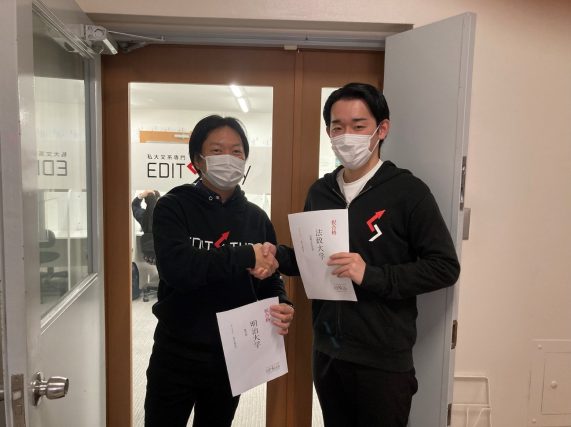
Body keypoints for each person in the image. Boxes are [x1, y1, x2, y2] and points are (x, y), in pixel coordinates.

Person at [256, 82, 460, 427]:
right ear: (328, 132)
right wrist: (280, 257)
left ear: (382, 129)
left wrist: (372, 275)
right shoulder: (320, 192)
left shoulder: (408, 192)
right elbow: (314, 261)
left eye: (358, 125)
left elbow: (444, 267)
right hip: (328, 351)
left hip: (383, 359)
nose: (346, 136)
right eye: (337, 127)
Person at [144, 115, 294, 427]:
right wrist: (244, 254)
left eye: (236, 151)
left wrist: (280, 302)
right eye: (216, 150)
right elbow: (177, 269)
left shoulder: (256, 218)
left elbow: (269, 276)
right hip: (177, 351)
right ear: (198, 160)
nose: (228, 158)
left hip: (232, 354)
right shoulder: (173, 206)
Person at [132, 189, 160, 264]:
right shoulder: (166, 214)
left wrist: (141, 196)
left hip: (148, 250)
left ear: (146, 201)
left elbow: (134, 206)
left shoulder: (143, 215)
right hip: (162, 248)